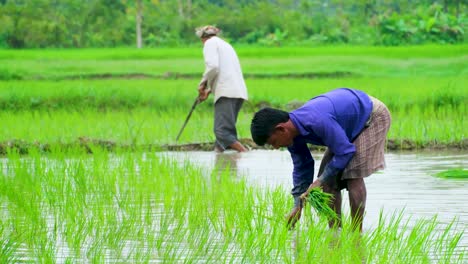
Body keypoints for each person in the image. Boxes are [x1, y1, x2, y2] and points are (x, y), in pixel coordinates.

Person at [250, 88, 391, 231]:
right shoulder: (292, 135)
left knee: (352, 174)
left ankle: (356, 234)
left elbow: (345, 152)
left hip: (371, 116)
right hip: (346, 124)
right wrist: (298, 205)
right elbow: (302, 166)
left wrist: (319, 181)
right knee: (327, 181)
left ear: (281, 129)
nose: (275, 147)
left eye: (273, 142)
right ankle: (335, 232)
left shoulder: (317, 120)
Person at [195, 25, 248, 153]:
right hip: (237, 92)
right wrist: (208, 91)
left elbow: (213, 66)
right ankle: (218, 158)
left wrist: (202, 84)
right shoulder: (225, 45)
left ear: (203, 38)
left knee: (222, 132)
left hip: (226, 93)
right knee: (221, 141)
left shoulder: (209, 44)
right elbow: (226, 73)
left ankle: (246, 154)